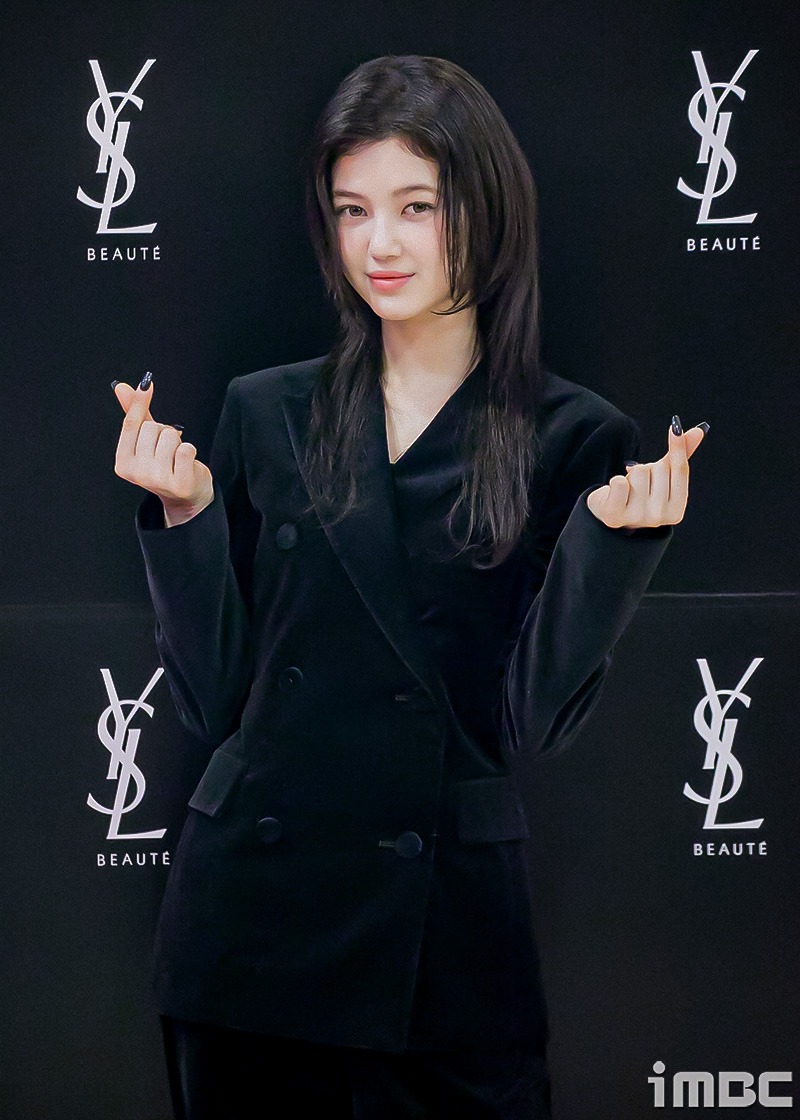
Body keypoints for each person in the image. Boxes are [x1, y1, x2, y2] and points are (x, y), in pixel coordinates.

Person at [112, 55, 706, 1120]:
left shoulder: (571, 436)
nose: (378, 244)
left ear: (486, 205)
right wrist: (186, 519)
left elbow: (526, 723)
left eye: (416, 206)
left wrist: (612, 545)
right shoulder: (264, 411)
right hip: (250, 932)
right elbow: (213, 700)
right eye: (352, 210)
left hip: (443, 952)